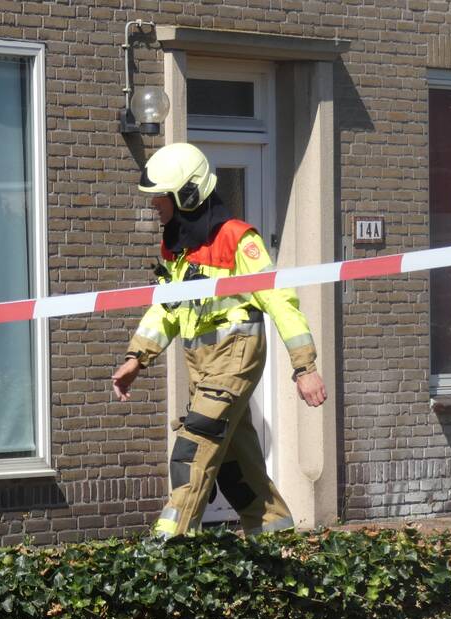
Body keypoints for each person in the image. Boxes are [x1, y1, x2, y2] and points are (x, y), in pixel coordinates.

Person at [111, 142, 327, 539]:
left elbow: (281, 301)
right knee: (234, 466)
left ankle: (167, 545)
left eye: (160, 197)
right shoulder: (178, 244)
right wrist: (136, 358)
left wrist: (305, 367)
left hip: (235, 355)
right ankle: (278, 544)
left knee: (193, 446)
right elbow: (168, 308)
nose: (154, 205)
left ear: (187, 194)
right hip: (203, 364)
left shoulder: (238, 239)